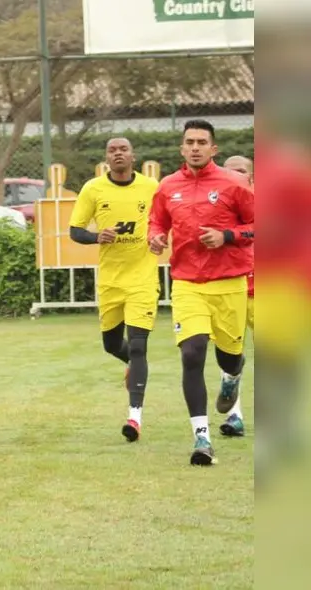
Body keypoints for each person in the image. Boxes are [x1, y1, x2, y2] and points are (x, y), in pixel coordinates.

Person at [148, 120, 254, 466]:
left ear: (213, 149)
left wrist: (227, 236)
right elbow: (157, 220)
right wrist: (156, 236)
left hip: (229, 283)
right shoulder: (167, 186)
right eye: (189, 142)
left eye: (201, 142)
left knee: (229, 356)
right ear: (181, 148)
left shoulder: (234, 183)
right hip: (187, 283)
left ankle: (231, 377)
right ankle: (202, 437)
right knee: (192, 354)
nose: (195, 147)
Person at [69, 138, 160, 442]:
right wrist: (97, 236)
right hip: (110, 282)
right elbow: (75, 231)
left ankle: (134, 418)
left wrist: (159, 237)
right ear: (106, 157)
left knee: (138, 346)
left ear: (133, 155)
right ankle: (134, 367)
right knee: (111, 344)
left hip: (143, 280)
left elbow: (165, 221)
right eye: (112, 150)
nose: (118, 153)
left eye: (123, 149)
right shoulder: (93, 189)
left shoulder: (151, 187)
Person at [219, 154, 255, 437]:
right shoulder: (215, 208)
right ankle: (234, 416)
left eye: (241, 171)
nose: (235, 177)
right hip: (229, 288)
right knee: (230, 355)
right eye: (229, 172)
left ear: (251, 176)